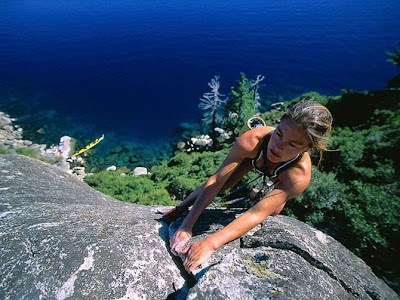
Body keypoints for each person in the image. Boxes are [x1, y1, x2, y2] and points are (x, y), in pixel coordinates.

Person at [167, 100, 333, 273]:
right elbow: (216, 181)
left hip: (281, 176)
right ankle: (179, 207)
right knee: (226, 182)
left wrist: (210, 244)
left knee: (273, 211)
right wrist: (186, 224)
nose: (277, 146)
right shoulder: (253, 140)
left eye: (292, 144)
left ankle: (258, 194)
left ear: (308, 147)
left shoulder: (298, 177)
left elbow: (257, 213)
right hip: (254, 157)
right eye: (279, 133)